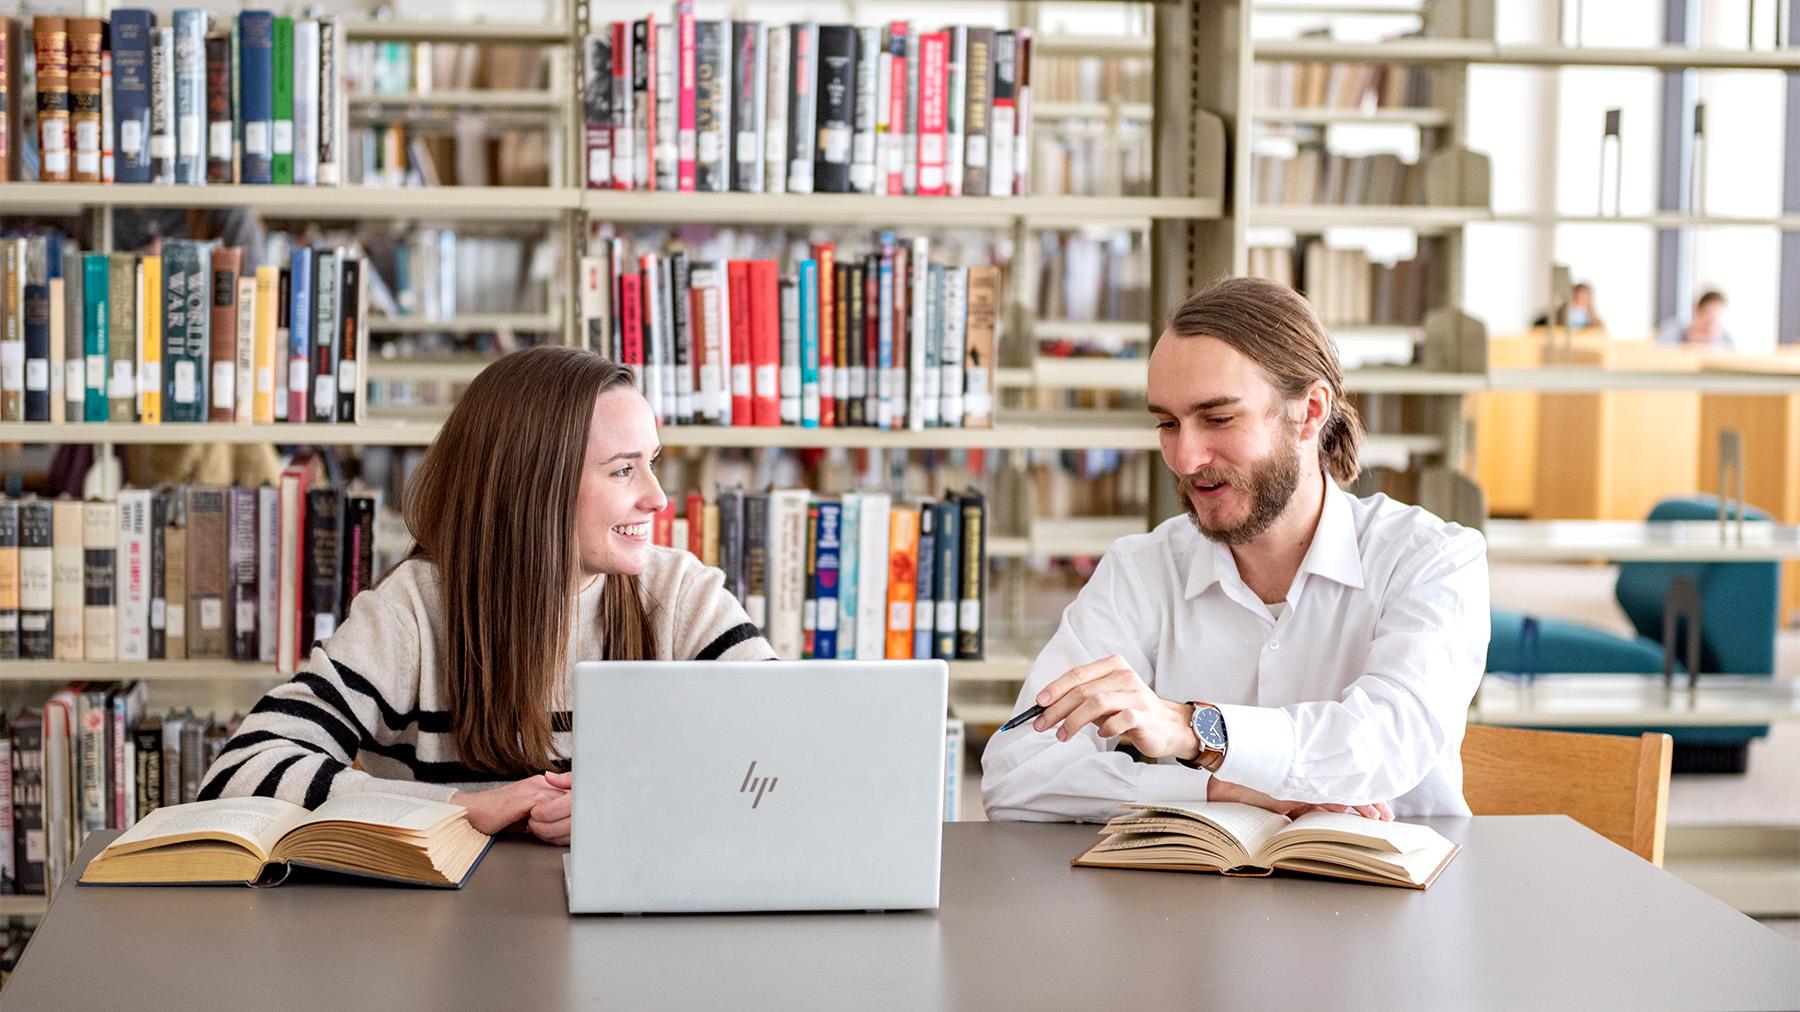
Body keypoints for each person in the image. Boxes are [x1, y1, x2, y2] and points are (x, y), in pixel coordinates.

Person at [198, 347, 774, 844]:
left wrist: (641, 802)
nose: (658, 499)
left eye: (650, 463)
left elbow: (792, 760)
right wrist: (459, 809)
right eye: (623, 471)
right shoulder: (414, 612)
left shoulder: (680, 595)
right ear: (534, 487)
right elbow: (239, 772)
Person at [981, 276, 1489, 823]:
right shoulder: (1141, 569)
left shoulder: (1433, 559)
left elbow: (1386, 744)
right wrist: (1227, 793)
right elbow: (1018, 772)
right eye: (1167, 424)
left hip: (1390, 897)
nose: (1185, 457)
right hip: (1188, 906)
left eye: (1218, 419)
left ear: (1310, 411)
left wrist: (1198, 731)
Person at [1657, 290, 1734, 349]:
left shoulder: (1725, 340)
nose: (1712, 321)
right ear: (1697, 312)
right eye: (1708, 314)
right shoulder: (1673, 331)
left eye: (1717, 316)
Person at [1533, 281, 1605, 330]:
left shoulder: (1596, 322)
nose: (1581, 298)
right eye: (1578, 295)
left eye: (1585, 296)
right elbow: (1537, 326)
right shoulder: (1557, 315)